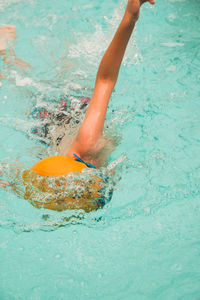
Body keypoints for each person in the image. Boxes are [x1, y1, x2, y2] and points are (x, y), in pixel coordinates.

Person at [1, 0, 155, 212]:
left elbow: (14, 178)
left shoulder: (77, 164)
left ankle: (5, 52)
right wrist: (130, 17)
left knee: (30, 84)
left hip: (51, 127)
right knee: (35, 83)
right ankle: (6, 53)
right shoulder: (88, 143)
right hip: (66, 113)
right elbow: (105, 79)